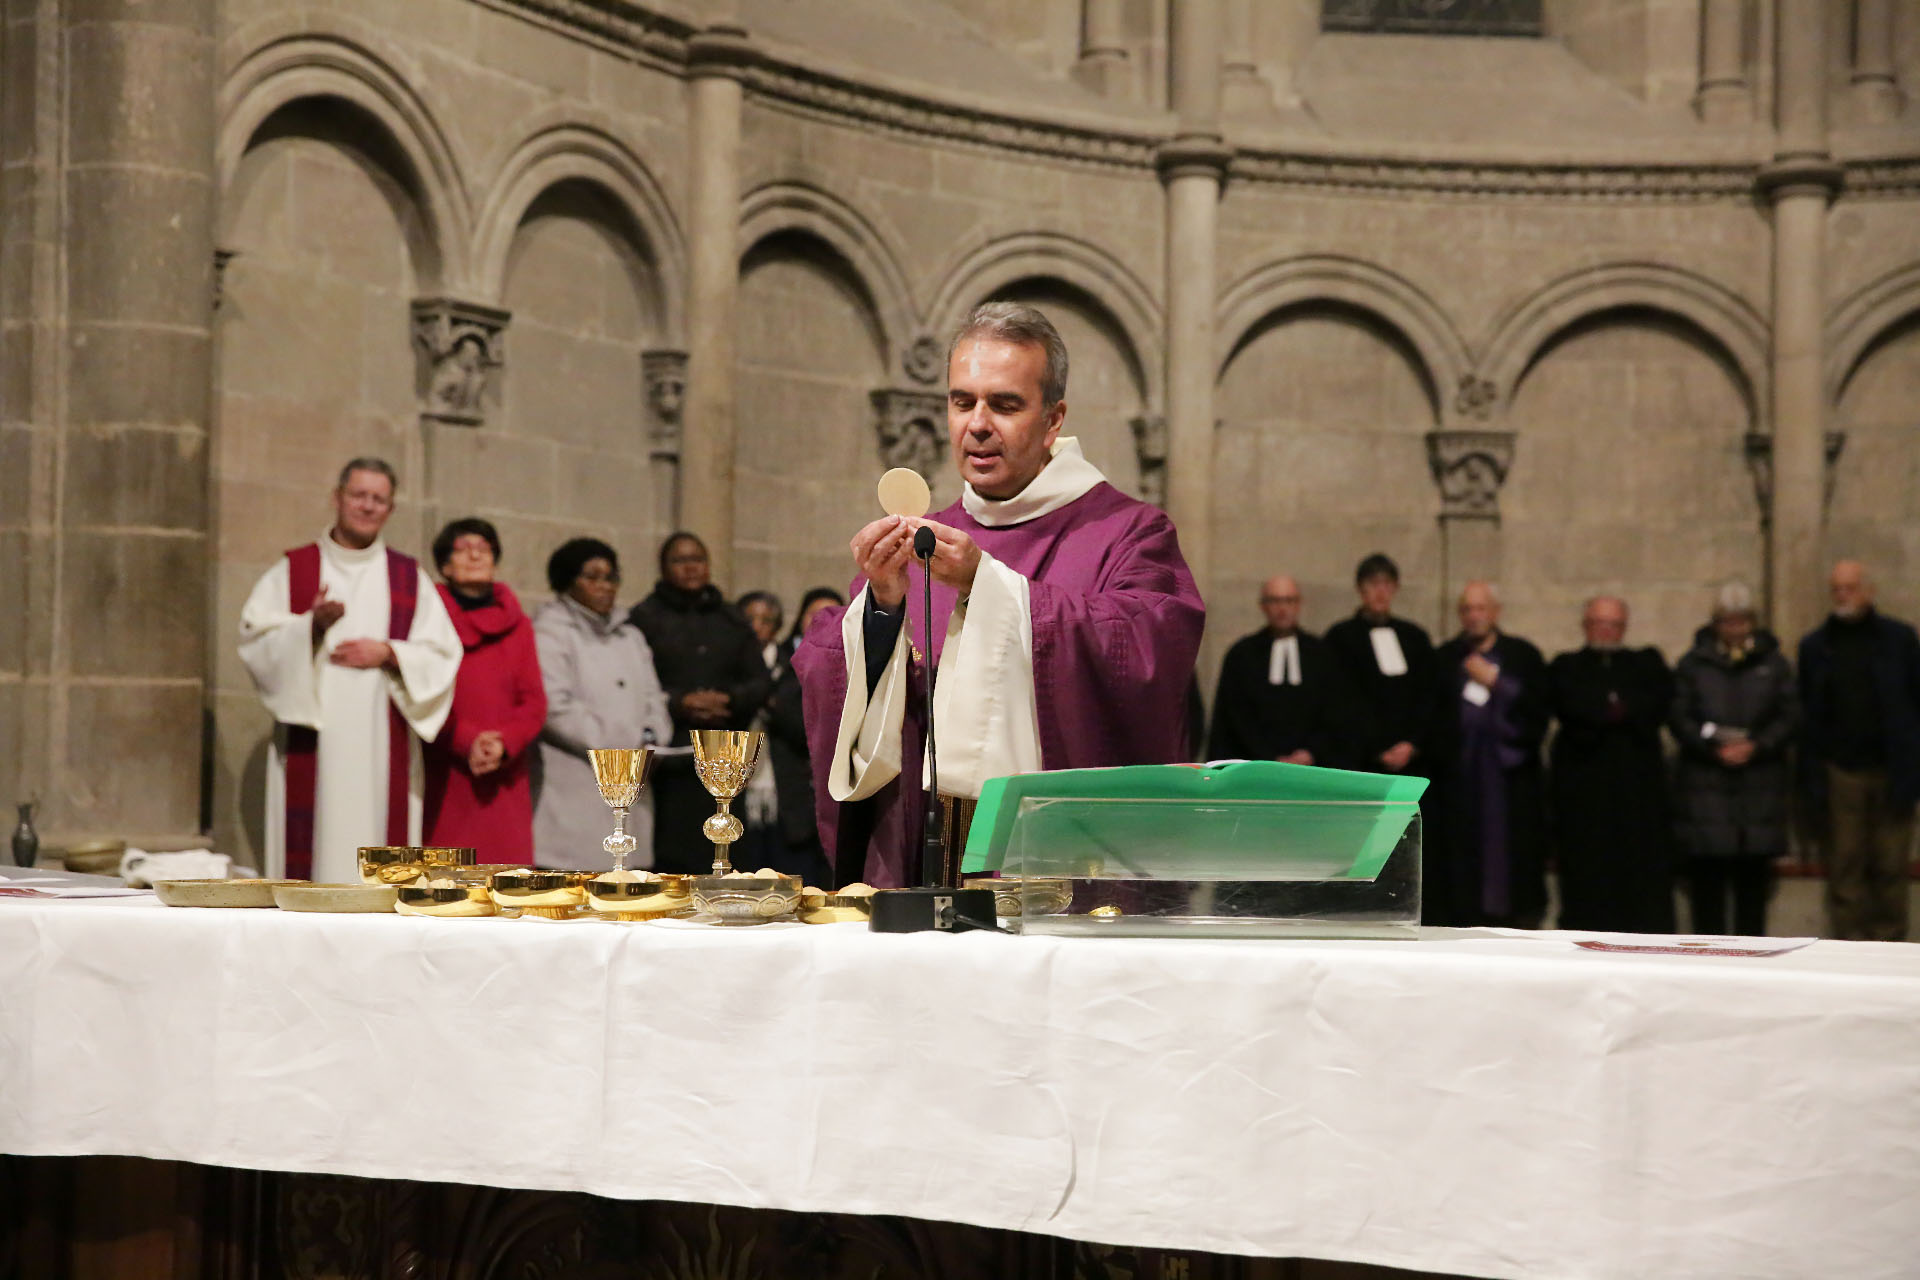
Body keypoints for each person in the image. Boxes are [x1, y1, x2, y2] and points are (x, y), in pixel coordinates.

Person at [793, 302, 1206, 887]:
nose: (977, 424)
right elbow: (830, 673)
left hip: (1054, 874)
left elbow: (1148, 652)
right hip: (925, 865)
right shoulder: (924, 535)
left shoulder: (1130, 533)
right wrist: (882, 609)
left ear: (1053, 419)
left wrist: (987, 588)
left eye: (1005, 404)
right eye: (962, 401)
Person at [238, 459, 460, 882]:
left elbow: (443, 653)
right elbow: (255, 639)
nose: (368, 506)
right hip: (315, 743)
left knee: (378, 848)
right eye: (359, 495)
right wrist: (310, 627)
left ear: (390, 509)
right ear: (337, 498)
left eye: (379, 499)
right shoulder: (293, 571)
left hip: (382, 741)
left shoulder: (408, 577)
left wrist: (390, 653)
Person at [630, 533, 773, 874]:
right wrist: (679, 702)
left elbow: (761, 681)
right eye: (680, 560)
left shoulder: (731, 619)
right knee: (674, 857)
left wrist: (729, 700)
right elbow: (633, 685)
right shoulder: (643, 619)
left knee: (726, 852)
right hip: (672, 757)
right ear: (663, 568)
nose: (691, 567)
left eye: (698, 559)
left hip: (725, 756)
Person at [1796, 560, 1920, 941]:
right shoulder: (1817, 646)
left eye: (1850, 588)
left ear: (1868, 591)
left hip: (1891, 769)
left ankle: (1890, 949)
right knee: (1846, 868)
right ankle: (1850, 951)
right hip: (1841, 772)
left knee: (1889, 867)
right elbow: (1807, 712)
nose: (1843, 596)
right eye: (1836, 589)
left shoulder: (1899, 640)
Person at [531, 537, 672, 870]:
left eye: (611, 577)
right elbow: (556, 708)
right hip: (577, 787)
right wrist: (622, 750)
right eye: (592, 577)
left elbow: (654, 698)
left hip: (634, 785)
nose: (604, 586)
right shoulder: (549, 633)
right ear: (567, 581)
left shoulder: (631, 637)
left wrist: (651, 741)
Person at [1671, 583, 1796, 936]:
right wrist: (1712, 748)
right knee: (1707, 896)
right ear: (1715, 624)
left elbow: (1790, 715)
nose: (1735, 629)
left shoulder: (1774, 664)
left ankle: (1752, 965)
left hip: (1759, 791)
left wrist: (1756, 746)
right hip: (1705, 792)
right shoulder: (1693, 664)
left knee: (1752, 896)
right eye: (1727, 622)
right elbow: (1680, 716)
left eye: (1742, 622)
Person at [1423, 581, 1549, 928]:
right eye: (1466, 609)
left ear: (1495, 612)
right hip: (1459, 780)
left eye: (1480, 608)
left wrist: (1496, 682)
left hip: (1509, 780)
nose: (1473, 616)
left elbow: (1538, 713)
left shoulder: (1522, 656)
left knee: (1507, 857)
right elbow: (1431, 718)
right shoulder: (1445, 657)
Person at [1547, 596, 1674, 933]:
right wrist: (1616, 710)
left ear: (1624, 627)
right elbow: (1571, 706)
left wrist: (1609, 711)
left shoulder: (1646, 663)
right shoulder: (1566, 666)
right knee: (1587, 880)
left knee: (1641, 881)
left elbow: (1657, 704)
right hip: (1583, 796)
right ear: (1585, 625)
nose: (1605, 630)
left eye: (1613, 624)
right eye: (1598, 623)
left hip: (1638, 797)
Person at [422, 518, 546, 864]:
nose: (475, 555)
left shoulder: (518, 624)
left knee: (506, 888)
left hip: (504, 776)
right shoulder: (427, 619)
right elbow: (420, 693)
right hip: (446, 771)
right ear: (446, 565)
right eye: (463, 549)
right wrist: (466, 741)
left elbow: (534, 702)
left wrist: (504, 742)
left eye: (484, 548)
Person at [1207, 575, 1351, 767]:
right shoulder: (1242, 655)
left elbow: (1335, 712)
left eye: (1289, 600)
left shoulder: (1322, 654)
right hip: (1253, 768)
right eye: (1274, 601)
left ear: (1299, 605)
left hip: (1313, 768)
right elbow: (1235, 716)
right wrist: (1267, 757)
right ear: (1263, 606)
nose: (1282, 609)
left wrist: (1311, 752)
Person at [761, 587, 845, 885]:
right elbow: (787, 716)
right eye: (814, 614)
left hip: (836, 790)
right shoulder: (780, 662)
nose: (822, 622)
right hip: (791, 793)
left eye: (833, 614)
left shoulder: (855, 663)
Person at [1325, 554, 1436, 778]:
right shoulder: (1340, 638)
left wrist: (1412, 744)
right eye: (1373, 584)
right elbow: (1341, 700)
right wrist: (1375, 748)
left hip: (1410, 760)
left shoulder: (1414, 638)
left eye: (1387, 584)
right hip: (1359, 760)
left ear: (1395, 588)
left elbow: (1428, 694)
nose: (1381, 592)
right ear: (1360, 589)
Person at [735, 589, 786, 870]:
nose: (757, 626)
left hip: (779, 774)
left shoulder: (788, 662)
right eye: (750, 619)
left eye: (766, 620)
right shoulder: (730, 663)